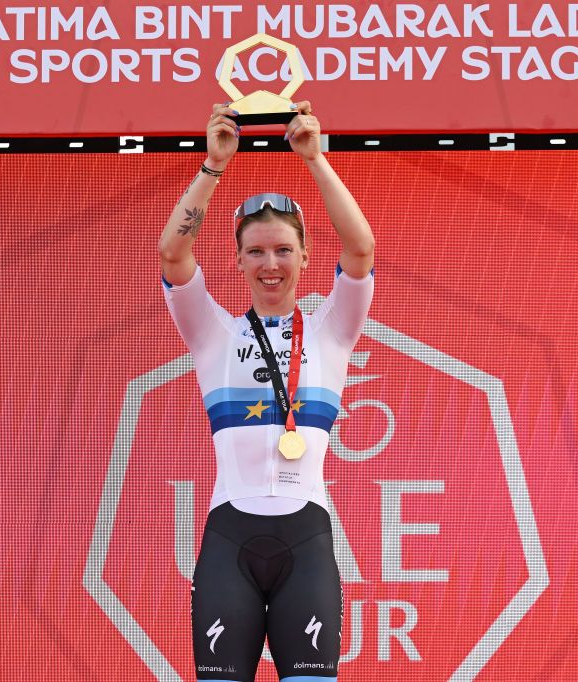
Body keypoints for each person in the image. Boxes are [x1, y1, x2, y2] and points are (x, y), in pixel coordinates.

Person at [158, 101, 375, 682]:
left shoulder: (332, 329)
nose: (270, 263)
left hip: (307, 540)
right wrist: (213, 166)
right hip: (230, 537)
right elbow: (172, 254)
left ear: (306, 258)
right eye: (255, 251)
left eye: (283, 249)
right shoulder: (211, 331)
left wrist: (315, 160)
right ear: (237, 261)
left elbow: (361, 250)